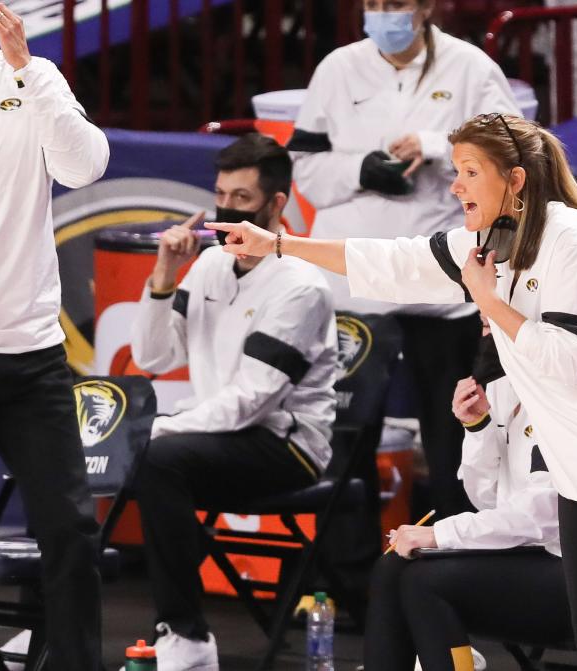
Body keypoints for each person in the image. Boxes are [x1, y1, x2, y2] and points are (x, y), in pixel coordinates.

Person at [208, 112, 577, 671]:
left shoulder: (575, 243)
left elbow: (573, 360)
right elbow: (389, 261)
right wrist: (278, 244)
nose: (455, 184)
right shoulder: (487, 238)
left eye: (470, 171)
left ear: (514, 181)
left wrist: (489, 302)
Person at [289, 0, 520, 519]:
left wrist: (440, 146)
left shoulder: (471, 68)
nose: (383, 15)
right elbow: (304, 170)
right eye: (373, 4)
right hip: (355, 286)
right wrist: (361, 172)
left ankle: (459, 560)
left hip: (441, 287)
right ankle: (346, 585)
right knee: (345, 441)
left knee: (455, 435)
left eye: (395, 4)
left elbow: (514, 154)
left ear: (424, 7)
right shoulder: (337, 68)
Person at [128, 133, 338, 671]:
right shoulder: (208, 268)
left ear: (276, 205)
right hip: (220, 435)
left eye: (242, 199)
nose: (226, 209)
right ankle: (102, 627)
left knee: (158, 458)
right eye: (221, 193)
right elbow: (152, 357)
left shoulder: (300, 287)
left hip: (287, 446)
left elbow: (251, 403)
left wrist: (164, 429)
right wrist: (162, 274)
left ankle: (187, 639)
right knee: (144, 458)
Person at [0, 2, 109, 670]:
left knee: (71, 529)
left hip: (30, 353)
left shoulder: (34, 77)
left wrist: (28, 70)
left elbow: (86, 167)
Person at [362, 323, 577, 671]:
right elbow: (486, 497)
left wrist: (442, 535)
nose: (484, 327)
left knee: (425, 583)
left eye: (492, 318)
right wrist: (478, 427)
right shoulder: (503, 384)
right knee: (392, 566)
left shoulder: (568, 391)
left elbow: (545, 515)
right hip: (529, 554)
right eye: (483, 319)